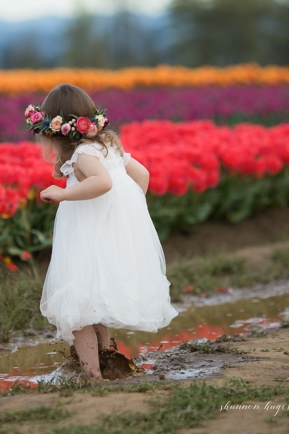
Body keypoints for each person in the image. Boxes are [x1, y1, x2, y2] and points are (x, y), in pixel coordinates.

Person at [26, 83, 178, 379]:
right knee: (95, 298)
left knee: (80, 304)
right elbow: (142, 175)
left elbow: (103, 183)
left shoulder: (82, 153)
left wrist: (61, 194)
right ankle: (108, 362)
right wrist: (128, 212)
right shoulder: (107, 147)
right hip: (104, 230)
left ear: (56, 128)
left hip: (86, 232)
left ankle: (92, 375)